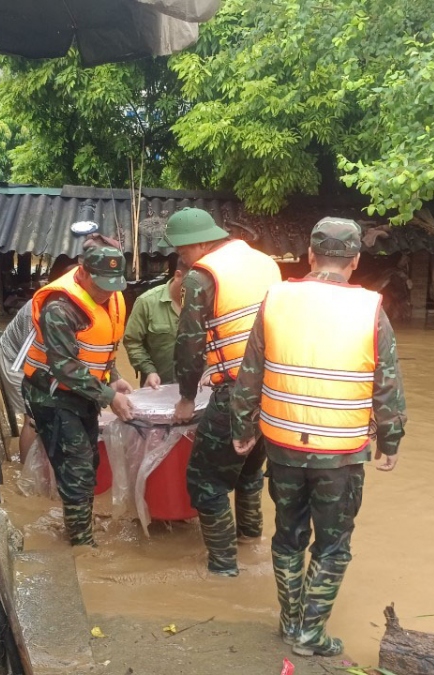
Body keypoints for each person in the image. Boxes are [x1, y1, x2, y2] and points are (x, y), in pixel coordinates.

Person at [230, 218, 407, 657]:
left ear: (310, 256)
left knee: (287, 535)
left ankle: (291, 625)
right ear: (355, 261)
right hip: (340, 455)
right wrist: (391, 440)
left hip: (284, 446)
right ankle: (310, 634)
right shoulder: (371, 309)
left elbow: (250, 373)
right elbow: (388, 386)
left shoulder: (276, 298)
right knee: (333, 545)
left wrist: (241, 429)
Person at [159, 207, 282, 576]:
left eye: (182, 252)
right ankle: (250, 540)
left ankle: (223, 569)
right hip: (275, 392)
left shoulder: (202, 277)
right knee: (247, 473)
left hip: (235, 394)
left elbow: (189, 345)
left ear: (199, 244)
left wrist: (184, 397)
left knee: (206, 482)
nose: (180, 259)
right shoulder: (265, 263)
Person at [21, 245, 135, 546]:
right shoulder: (59, 308)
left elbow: (101, 349)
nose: (106, 294)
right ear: (83, 272)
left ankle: (78, 525)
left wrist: (115, 378)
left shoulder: (111, 299)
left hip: (83, 394)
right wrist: (109, 395)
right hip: (53, 396)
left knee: (89, 462)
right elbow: (66, 368)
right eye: (100, 287)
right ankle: (81, 546)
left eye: (112, 287)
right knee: (77, 466)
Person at [122, 257, 184, 388]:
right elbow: (132, 341)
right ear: (178, 276)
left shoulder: (204, 303)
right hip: (156, 389)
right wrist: (149, 370)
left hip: (196, 390)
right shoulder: (147, 302)